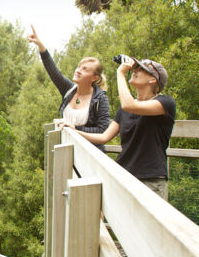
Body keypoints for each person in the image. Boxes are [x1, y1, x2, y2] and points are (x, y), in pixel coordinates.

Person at [74, 55, 175, 200]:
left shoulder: (165, 103)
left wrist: (120, 74)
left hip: (150, 180)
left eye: (141, 70)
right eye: (135, 68)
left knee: (144, 224)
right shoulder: (125, 110)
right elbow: (104, 137)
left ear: (153, 79)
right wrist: (74, 130)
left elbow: (129, 105)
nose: (135, 71)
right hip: (123, 176)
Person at [28, 25, 110, 150]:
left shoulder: (100, 99)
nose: (78, 71)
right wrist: (40, 45)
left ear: (94, 77)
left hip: (89, 155)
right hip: (66, 153)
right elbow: (53, 70)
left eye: (85, 69)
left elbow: (102, 131)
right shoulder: (69, 90)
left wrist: (75, 129)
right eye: (79, 67)